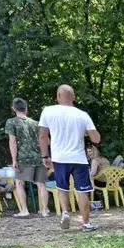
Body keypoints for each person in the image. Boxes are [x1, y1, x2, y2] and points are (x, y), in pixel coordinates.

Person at [37, 85, 101, 232]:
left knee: (62, 188)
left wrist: (45, 155)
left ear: (58, 96)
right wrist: (87, 133)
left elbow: (42, 135)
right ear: (74, 97)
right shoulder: (82, 115)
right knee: (82, 190)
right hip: (79, 159)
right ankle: (86, 223)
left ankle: (65, 213)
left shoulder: (48, 111)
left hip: (59, 158)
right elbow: (96, 139)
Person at [5, 98, 50, 218]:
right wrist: (44, 156)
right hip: (38, 157)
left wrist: (14, 160)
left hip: (23, 158)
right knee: (41, 184)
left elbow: (12, 142)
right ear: (26, 108)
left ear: (13, 108)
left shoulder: (11, 122)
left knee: (19, 183)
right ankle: (45, 210)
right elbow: (45, 140)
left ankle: (24, 210)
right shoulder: (35, 123)